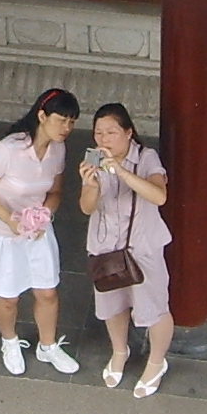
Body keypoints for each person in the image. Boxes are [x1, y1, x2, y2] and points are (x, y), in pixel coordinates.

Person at [0, 88, 82, 376]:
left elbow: (55, 192)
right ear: (42, 116)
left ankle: (48, 345)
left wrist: (45, 215)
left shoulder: (58, 150)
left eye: (71, 122)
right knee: (9, 297)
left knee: (47, 292)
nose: (67, 128)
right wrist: (11, 220)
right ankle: (9, 341)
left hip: (36, 231)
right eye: (61, 120)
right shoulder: (8, 149)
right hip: (3, 232)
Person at [78, 102, 173, 396]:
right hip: (105, 247)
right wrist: (91, 184)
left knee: (154, 309)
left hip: (141, 248)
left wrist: (120, 171)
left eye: (111, 132)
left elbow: (158, 196)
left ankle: (156, 362)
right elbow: (86, 208)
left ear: (128, 132)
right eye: (98, 133)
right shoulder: (94, 159)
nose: (103, 139)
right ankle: (120, 351)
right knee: (112, 305)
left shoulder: (146, 157)